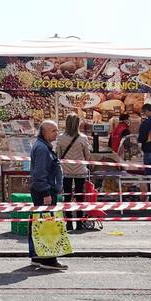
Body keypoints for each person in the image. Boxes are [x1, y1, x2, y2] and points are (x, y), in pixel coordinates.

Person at [28, 119, 66, 269]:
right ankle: (48, 259)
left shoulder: (43, 146)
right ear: (44, 132)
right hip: (45, 191)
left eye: (57, 130)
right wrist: (46, 192)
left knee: (39, 223)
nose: (57, 133)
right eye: (53, 131)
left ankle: (37, 256)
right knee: (48, 226)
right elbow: (39, 174)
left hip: (46, 189)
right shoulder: (43, 149)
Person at [57, 114, 91, 232]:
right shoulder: (83, 138)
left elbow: (58, 155)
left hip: (65, 170)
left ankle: (69, 222)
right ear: (78, 124)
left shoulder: (60, 138)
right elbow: (87, 155)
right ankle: (80, 222)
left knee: (66, 195)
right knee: (79, 195)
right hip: (80, 170)